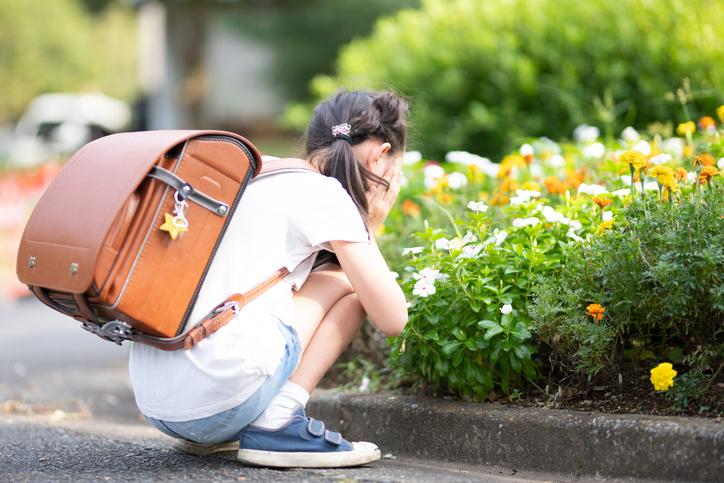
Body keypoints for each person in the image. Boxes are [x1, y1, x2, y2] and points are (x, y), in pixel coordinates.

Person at [128, 90, 409, 468]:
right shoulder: (327, 196)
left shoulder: (254, 171)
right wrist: (370, 221)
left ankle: (252, 422)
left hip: (158, 404)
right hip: (216, 401)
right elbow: (393, 319)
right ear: (380, 155)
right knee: (347, 285)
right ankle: (278, 421)